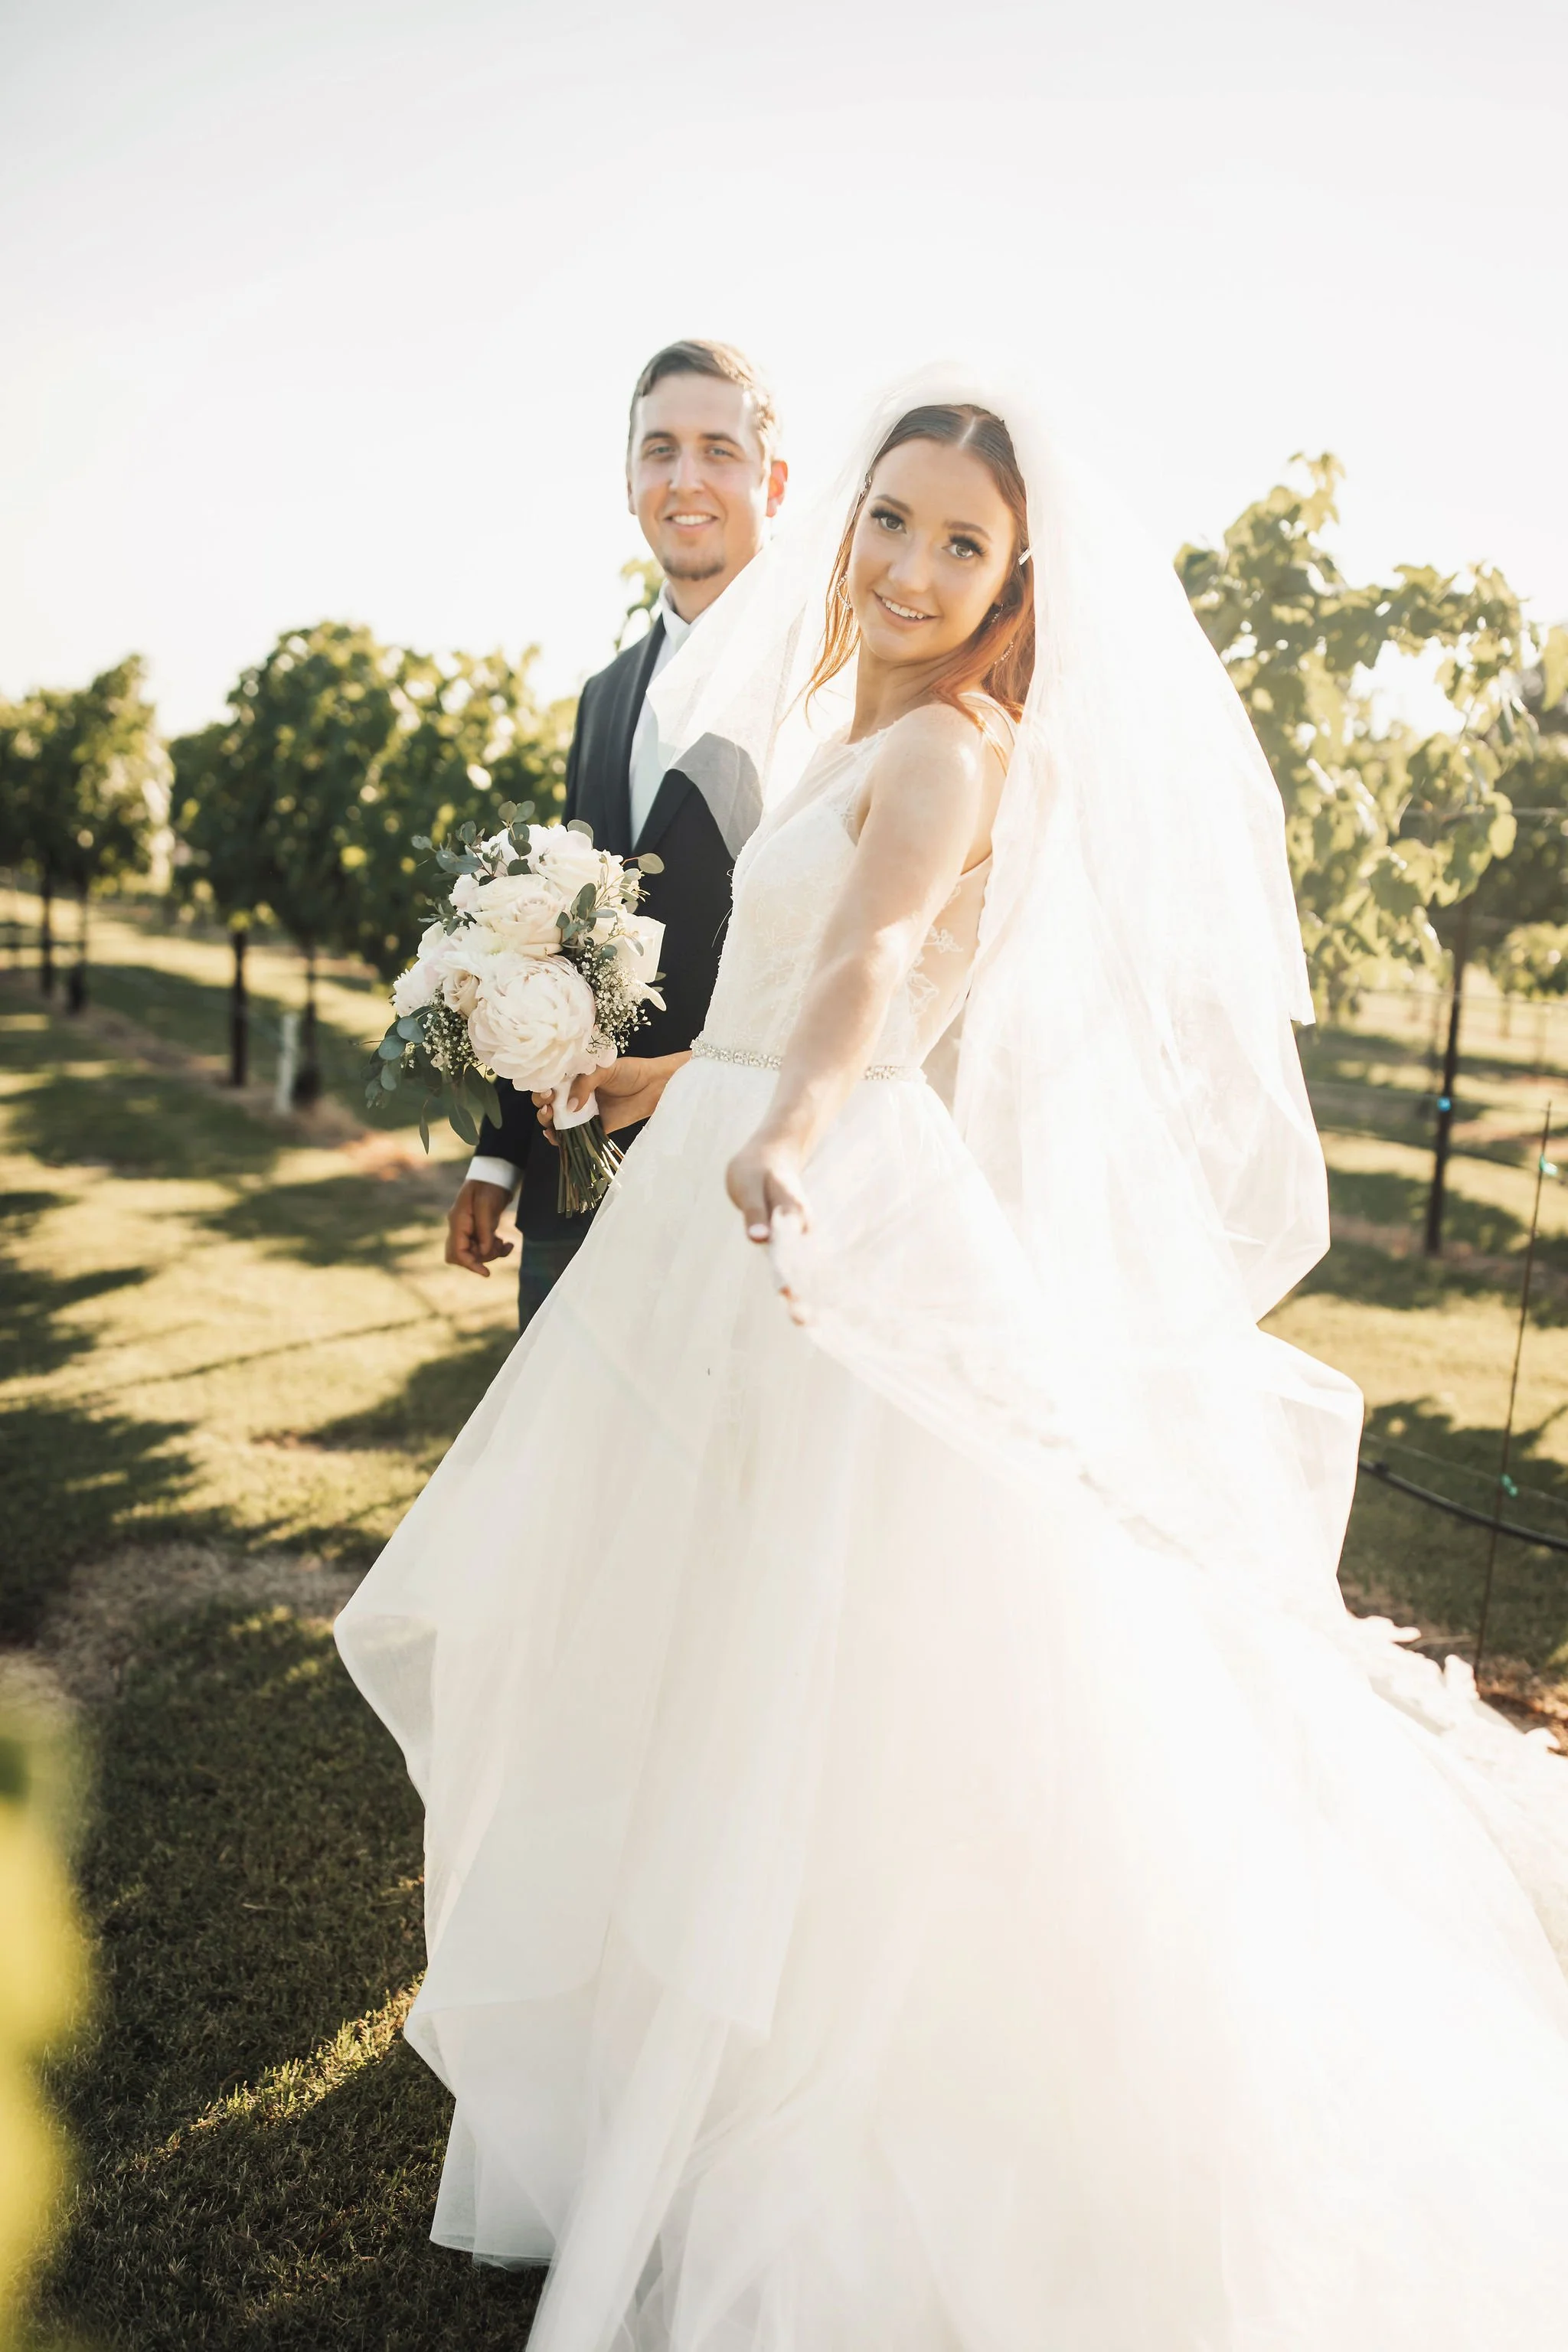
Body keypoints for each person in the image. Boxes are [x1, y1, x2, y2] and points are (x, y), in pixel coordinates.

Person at [338, 377, 1568, 2349]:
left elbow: (861, 977)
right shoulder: (866, 731)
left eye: (961, 545)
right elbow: (759, 1007)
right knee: (706, 1670)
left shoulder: (953, 759)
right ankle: (662, 2093)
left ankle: (818, 2133)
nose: (911, 568)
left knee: (842, 1695)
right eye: (892, 523)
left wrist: (794, 1127)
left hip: (825, 1231)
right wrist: (636, 1075)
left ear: (1019, 584)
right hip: (729, 1207)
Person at [446, 336, 786, 1325]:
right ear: (629, 475)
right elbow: (549, 945)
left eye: (720, 449)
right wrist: (499, 1157)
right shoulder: (602, 697)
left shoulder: (826, 683)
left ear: (776, 478)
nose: (687, 479)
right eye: (660, 449)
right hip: (572, 1190)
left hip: (735, 1191)